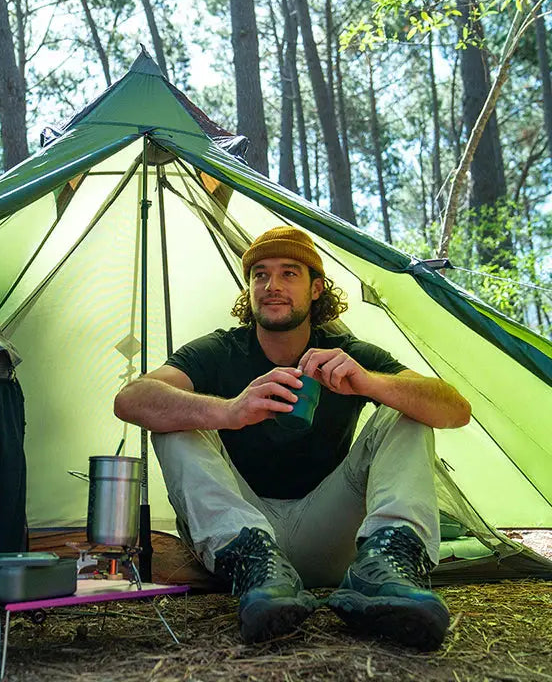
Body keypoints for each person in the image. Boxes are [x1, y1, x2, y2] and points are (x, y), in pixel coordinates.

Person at [114, 226, 471, 650]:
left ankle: (386, 568)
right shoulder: (220, 350)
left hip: (330, 533)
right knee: (173, 417)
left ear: (316, 288)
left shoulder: (345, 353)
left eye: (289, 274)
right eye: (260, 275)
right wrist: (229, 410)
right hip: (242, 544)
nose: (272, 286)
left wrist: (370, 384)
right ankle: (257, 566)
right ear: (249, 290)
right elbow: (131, 398)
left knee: (408, 406)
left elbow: (455, 409)